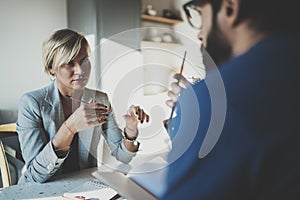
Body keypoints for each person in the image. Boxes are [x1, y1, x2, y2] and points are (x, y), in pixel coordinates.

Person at [162, 0, 300, 199]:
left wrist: (194, 115)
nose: (200, 34)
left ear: (230, 8)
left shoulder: (216, 103)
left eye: (201, 17)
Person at [16, 28, 149, 184]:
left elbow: (123, 156)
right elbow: (35, 176)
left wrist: (131, 130)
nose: (80, 70)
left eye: (84, 60)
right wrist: (70, 127)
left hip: (83, 187)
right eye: (70, 63)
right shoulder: (31, 103)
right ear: (51, 68)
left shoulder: (100, 99)